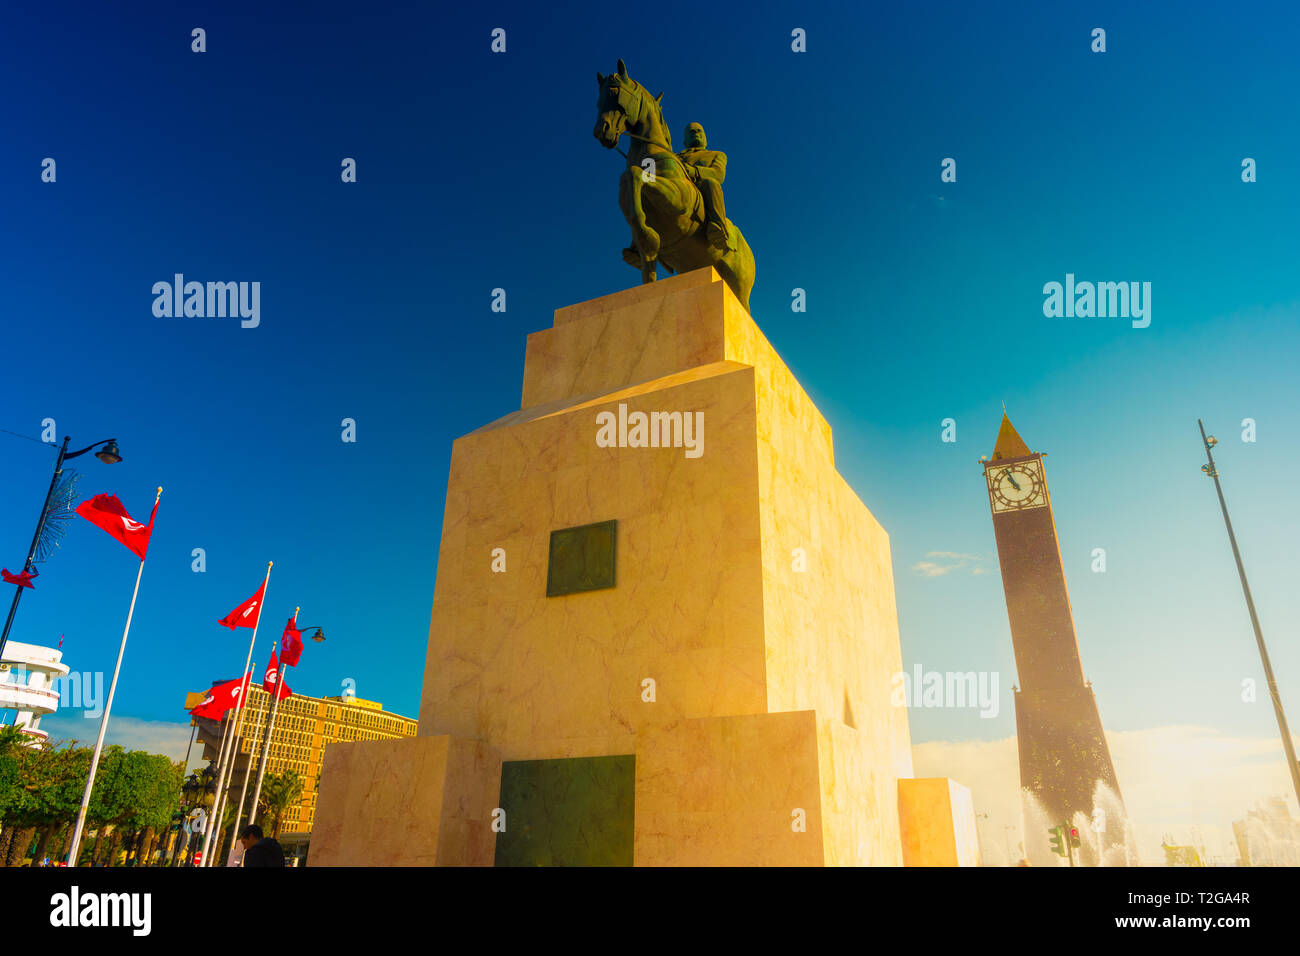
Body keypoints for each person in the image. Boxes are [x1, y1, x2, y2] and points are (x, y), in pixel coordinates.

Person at [677, 123, 731, 251]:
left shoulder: (717, 154)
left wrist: (694, 171)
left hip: (702, 189)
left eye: (699, 131)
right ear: (685, 141)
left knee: (711, 183)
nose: (696, 133)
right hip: (680, 191)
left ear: (706, 139)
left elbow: (718, 174)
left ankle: (717, 227)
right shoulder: (675, 158)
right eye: (691, 132)